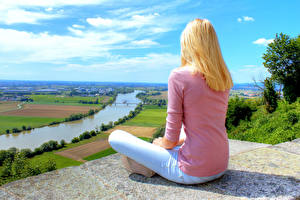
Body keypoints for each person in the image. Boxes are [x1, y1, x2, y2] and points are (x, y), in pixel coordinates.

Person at [108, 18, 233, 185]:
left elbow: (171, 136)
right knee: (187, 126)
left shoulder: (179, 75)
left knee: (115, 137)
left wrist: (161, 143)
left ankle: (147, 166)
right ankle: (150, 163)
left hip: (192, 171)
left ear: (188, 44)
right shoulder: (223, 78)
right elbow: (205, 126)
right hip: (220, 165)